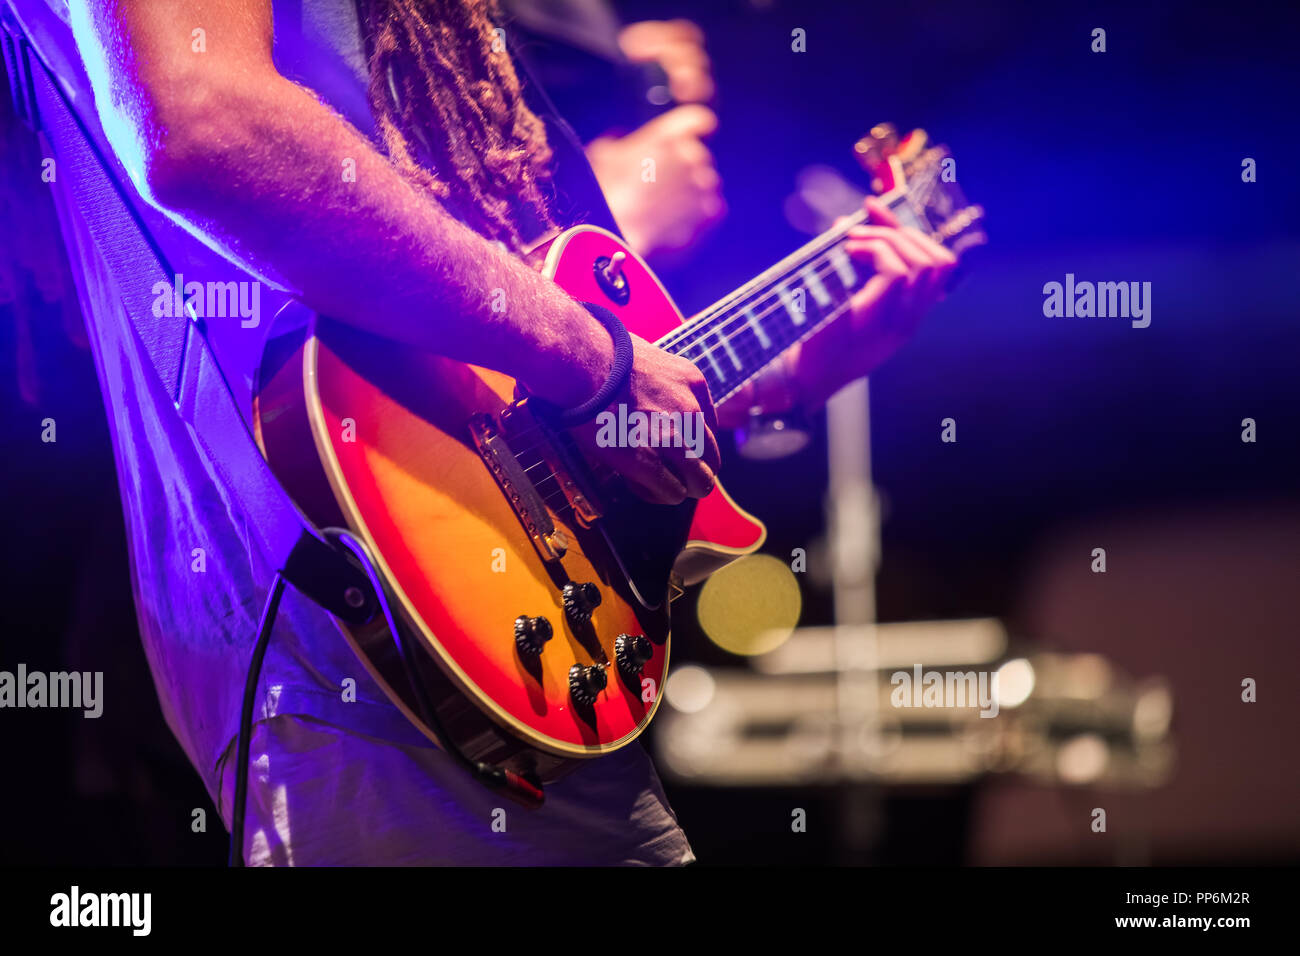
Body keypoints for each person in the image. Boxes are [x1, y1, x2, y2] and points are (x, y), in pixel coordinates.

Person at [66, 0, 956, 864]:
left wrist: (789, 376)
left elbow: (535, 399)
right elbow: (202, 125)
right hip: (351, 630)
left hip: (487, 625)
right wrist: (594, 360)